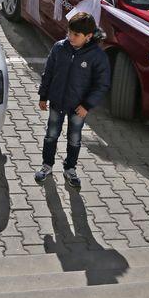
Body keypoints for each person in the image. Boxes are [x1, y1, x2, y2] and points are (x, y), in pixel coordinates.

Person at [35, 12, 110, 189]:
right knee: (51, 134)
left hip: (79, 108)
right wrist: (43, 95)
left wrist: (87, 105)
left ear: (89, 36)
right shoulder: (59, 48)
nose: (71, 37)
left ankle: (70, 168)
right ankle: (47, 165)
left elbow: (102, 84)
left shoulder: (97, 57)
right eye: (69, 32)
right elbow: (49, 73)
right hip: (57, 102)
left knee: (74, 138)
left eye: (76, 35)